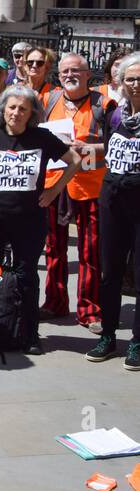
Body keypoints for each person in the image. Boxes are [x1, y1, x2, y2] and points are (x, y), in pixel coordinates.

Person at [0, 85, 82, 355]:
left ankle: (29, 334)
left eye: (23, 109)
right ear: (3, 109)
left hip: (29, 219)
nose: (16, 113)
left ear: (31, 113)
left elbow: (75, 159)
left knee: (27, 275)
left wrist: (54, 190)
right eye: (12, 107)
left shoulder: (41, 138)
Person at [40, 52, 112, 333]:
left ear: (88, 74)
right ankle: (55, 302)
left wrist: (89, 149)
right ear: (58, 76)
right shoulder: (48, 100)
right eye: (65, 71)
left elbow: (116, 144)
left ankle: (89, 310)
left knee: (90, 251)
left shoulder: (104, 104)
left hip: (89, 187)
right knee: (54, 248)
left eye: (76, 71)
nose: (70, 75)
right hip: (55, 185)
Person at [90, 52, 140, 369]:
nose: (135, 84)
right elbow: (107, 149)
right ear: (121, 82)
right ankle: (107, 336)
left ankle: (137, 342)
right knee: (109, 271)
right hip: (112, 196)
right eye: (130, 78)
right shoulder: (115, 114)